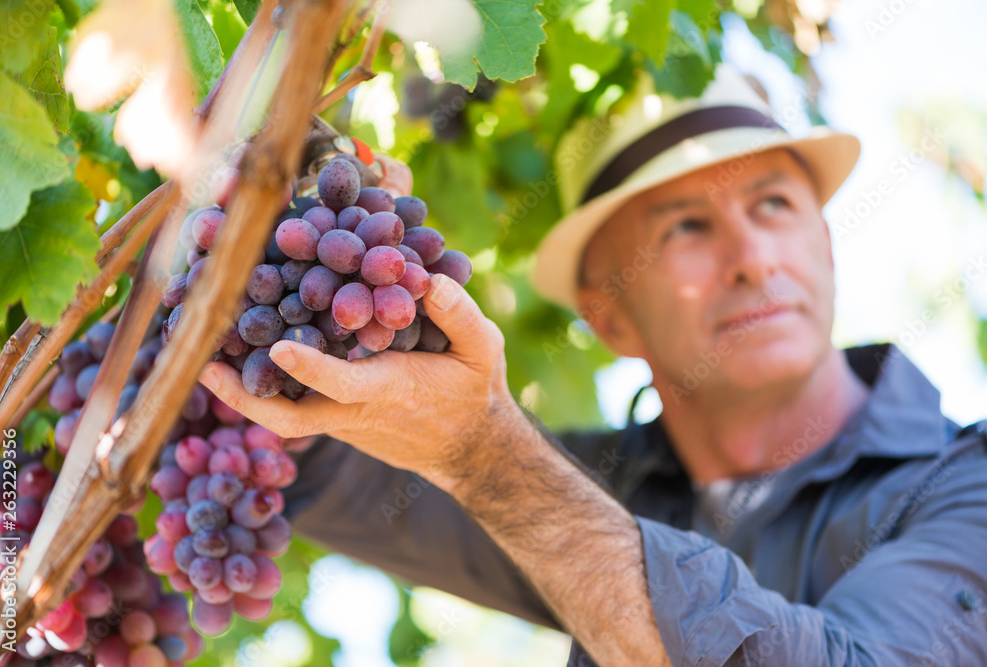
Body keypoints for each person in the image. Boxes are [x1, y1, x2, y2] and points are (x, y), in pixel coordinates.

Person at [198, 65, 987, 666]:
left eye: (775, 205)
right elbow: (346, 477)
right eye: (686, 226)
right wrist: (295, 304)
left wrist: (483, 451)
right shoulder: (605, 487)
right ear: (605, 311)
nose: (752, 259)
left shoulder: (968, 489)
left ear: (825, 242)